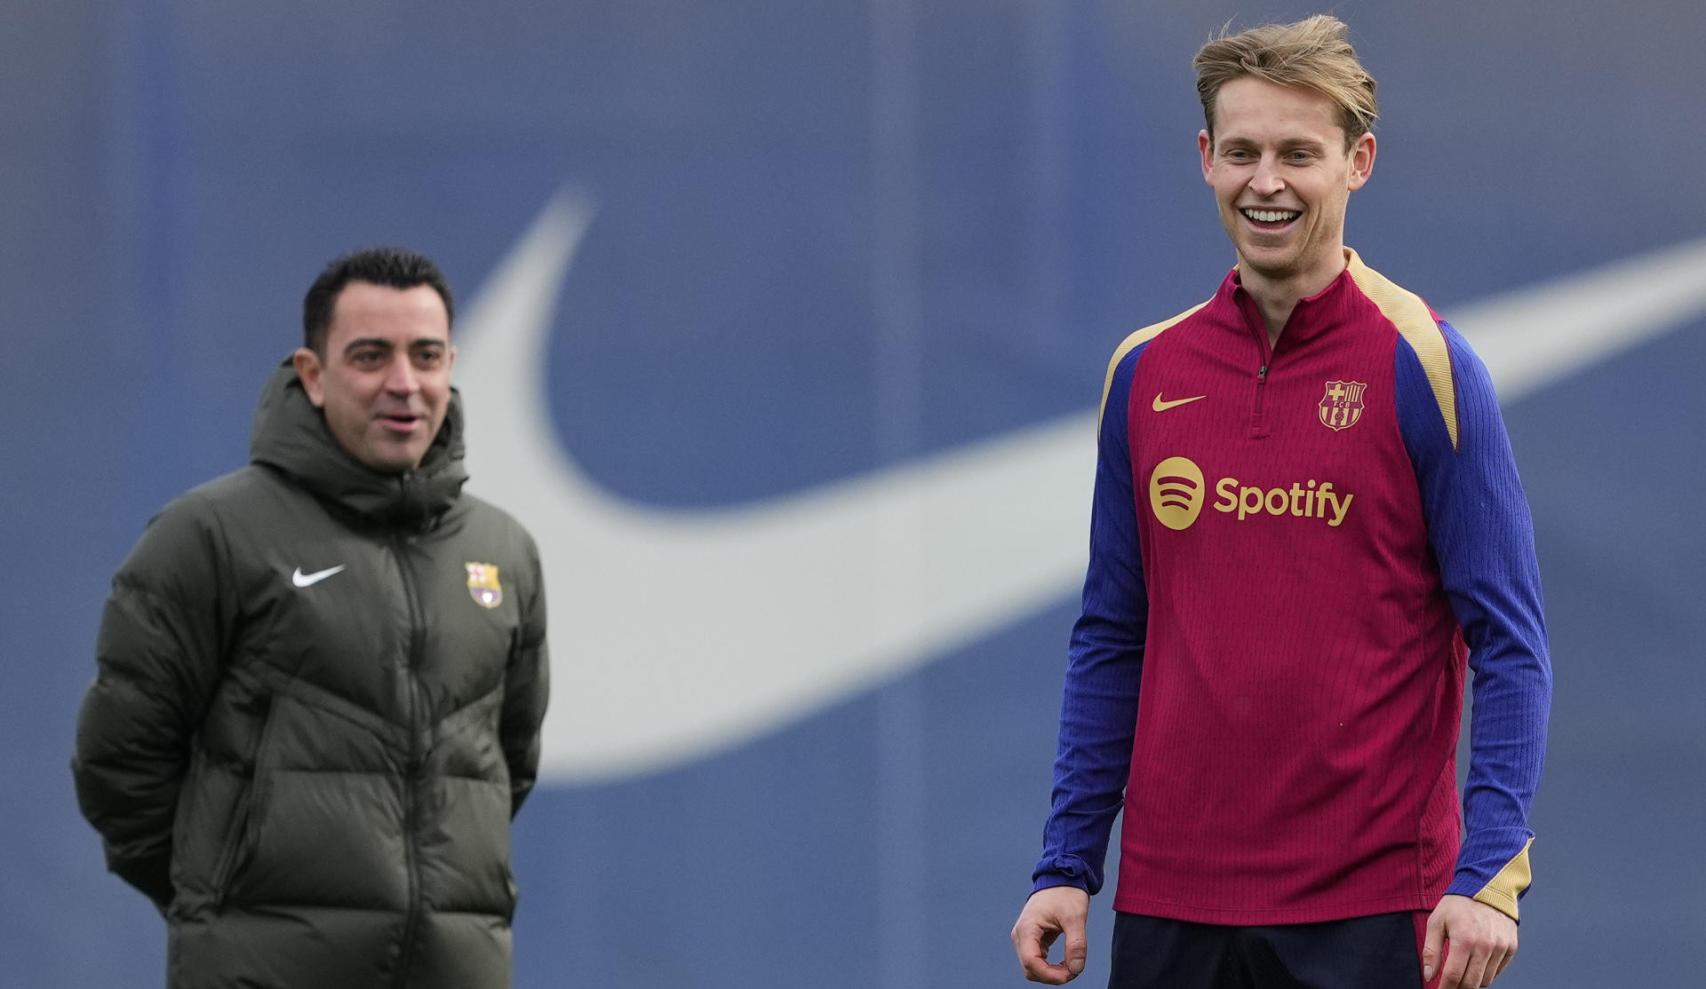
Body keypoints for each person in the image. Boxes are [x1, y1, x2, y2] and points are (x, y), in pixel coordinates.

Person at [1010, 16, 1551, 989]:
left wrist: (1486, 876)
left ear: (1357, 162)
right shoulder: (1145, 372)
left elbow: (1508, 640)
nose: (1267, 181)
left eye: (1298, 153)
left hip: (1374, 905)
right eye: (1243, 151)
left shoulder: (1424, 363)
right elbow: (1111, 635)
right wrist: (1065, 861)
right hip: (1170, 899)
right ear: (1205, 159)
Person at [72, 247, 550, 988]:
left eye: (425, 355)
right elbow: (119, 764)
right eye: (370, 355)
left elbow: (505, 763)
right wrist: (224, 895)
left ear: (451, 362)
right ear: (312, 373)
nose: (404, 383)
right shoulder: (210, 535)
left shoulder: (503, 551)